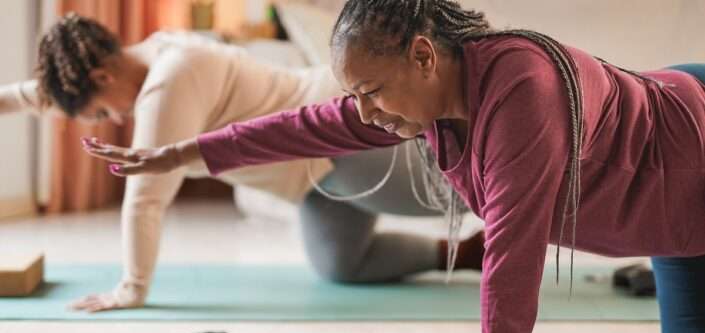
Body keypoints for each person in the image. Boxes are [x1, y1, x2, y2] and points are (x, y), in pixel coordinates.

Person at [83, 0, 705, 333]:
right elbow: (307, 125)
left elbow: (511, 259)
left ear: (424, 56)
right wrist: (179, 153)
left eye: (371, 92)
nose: (364, 110)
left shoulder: (523, 92)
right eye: (356, 93)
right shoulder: (426, 97)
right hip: (661, 201)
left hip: (691, 152)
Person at [2, 13, 486, 313]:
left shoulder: (169, 80)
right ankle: (463, 253)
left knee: (467, 192)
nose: (114, 118)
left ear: (103, 75)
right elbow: (40, 94)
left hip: (337, 141)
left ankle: (525, 190)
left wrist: (131, 288)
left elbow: (145, 198)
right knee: (343, 263)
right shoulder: (152, 52)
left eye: (103, 110)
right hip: (311, 184)